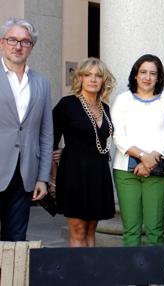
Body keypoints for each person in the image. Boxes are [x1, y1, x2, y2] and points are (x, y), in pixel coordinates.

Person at [111, 54, 164, 246]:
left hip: (158, 170)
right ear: (135, 75)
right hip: (125, 171)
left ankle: (153, 275)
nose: (147, 77)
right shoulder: (122, 99)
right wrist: (142, 157)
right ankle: (132, 275)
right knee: (131, 229)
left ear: (159, 77)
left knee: (155, 229)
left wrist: (150, 162)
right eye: (143, 72)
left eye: (153, 73)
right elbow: (117, 136)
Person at [52, 57, 116, 247]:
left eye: (98, 75)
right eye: (88, 75)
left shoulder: (105, 108)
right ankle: (78, 275)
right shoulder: (67, 104)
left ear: (104, 80)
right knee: (78, 230)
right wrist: (53, 178)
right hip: (74, 173)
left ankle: (90, 275)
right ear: (80, 78)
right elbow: (50, 142)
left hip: (98, 173)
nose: (93, 79)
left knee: (90, 230)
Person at [0, 18, 52, 241]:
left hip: (25, 174)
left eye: (25, 41)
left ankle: (11, 278)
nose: (18, 46)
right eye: (12, 40)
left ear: (32, 47)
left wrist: (43, 177)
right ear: (2, 42)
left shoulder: (41, 82)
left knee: (16, 239)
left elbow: (46, 134)